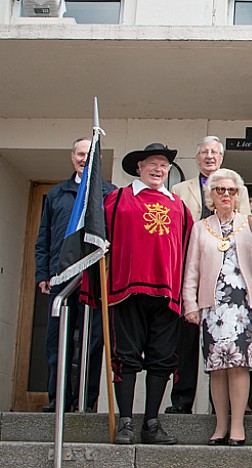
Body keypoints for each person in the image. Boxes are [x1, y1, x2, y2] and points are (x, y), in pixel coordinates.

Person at [99, 143, 193, 445]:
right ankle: (125, 421)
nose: (158, 169)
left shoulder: (179, 206)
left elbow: (189, 251)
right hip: (126, 291)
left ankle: (151, 423)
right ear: (139, 167)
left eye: (163, 165)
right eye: (152, 163)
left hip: (167, 294)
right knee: (125, 357)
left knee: (163, 358)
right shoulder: (116, 199)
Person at [181, 169, 252, 446]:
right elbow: (191, 269)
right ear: (211, 196)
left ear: (239, 194)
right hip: (212, 307)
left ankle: (238, 426)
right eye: (220, 190)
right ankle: (220, 426)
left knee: (239, 365)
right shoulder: (200, 227)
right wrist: (190, 304)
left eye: (231, 190)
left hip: (244, 306)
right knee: (217, 367)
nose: (226, 195)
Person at [167, 136, 250, 415]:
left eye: (214, 152)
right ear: (197, 157)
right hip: (192, 269)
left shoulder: (239, 188)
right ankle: (181, 401)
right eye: (204, 152)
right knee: (187, 342)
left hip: (228, 282)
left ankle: (221, 408)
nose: (210, 156)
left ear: (222, 157)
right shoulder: (179, 189)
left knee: (227, 347)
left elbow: (247, 234)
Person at [35, 137, 116, 413]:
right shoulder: (58, 194)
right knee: (58, 341)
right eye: (80, 154)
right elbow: (43, 237)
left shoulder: (109, 193)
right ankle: (58, 398)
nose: (84, 158)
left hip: (94, 281)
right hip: (61, 278)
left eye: (90, 154)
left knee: (93, 343)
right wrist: (42, 273)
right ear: (73, 157)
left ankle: (86, 399)